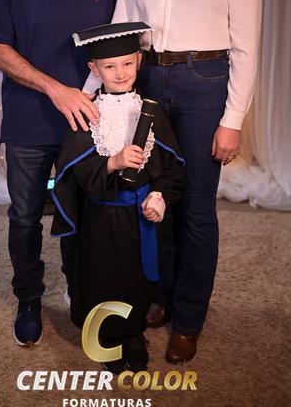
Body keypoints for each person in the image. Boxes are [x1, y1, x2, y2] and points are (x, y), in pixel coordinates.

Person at [108, 0, 262, 363]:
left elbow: (246, 46)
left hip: (204, 82)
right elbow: (122, 28)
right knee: (156, 198)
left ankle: (189, 317)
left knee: (195, 206)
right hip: (150, 78)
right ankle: (163, 296)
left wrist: (232, 120)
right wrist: (98, 91)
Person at [0, 0, 119, 347]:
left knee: (86, 214)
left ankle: (82, 293)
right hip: (28, 123)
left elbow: (120, 45)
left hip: (90, 123)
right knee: (24, 217)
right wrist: (57, 90)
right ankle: (28, 298)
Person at [51, 22, 183, 373]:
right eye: (109, 66)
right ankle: (107, 337)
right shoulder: (88, 113)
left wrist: (158, 197)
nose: (120, 73)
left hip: (140, 215)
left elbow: (170, 166)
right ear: (94, 69)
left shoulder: (151, 111)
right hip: (101, 216)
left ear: (138, 61)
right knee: (103, 276)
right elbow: (75, 170)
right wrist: (113, 162)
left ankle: (133, 331)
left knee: (137, 277)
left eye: (127, 63)